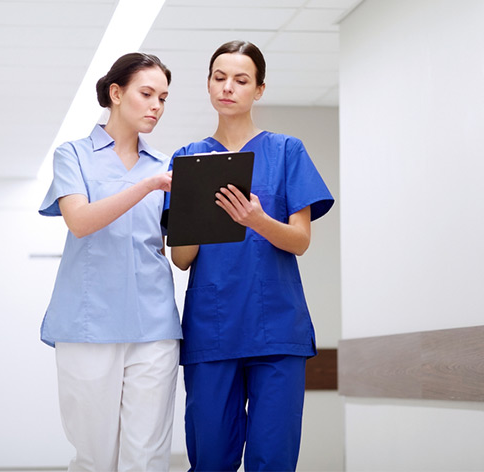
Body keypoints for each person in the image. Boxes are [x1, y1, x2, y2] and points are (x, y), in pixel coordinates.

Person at [167, 41, 335, 471]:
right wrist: (197, 207)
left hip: (276, 328)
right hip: (212, 330)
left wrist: (257, 219)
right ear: (208, 85)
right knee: (210, 459)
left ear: (259, 89)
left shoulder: (286, 151)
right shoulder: (189, 159)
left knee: (273, 459)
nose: (228, 88)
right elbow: (181, 259)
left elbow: (300, 240)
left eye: (241, 80)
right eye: (219, 78)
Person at [39, 52, 182, 471]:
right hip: (89, 324)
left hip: (153, 323)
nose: (156, 105)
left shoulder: (167, 166)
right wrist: (148, 185)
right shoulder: (74, 156)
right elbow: (80, 221)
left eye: (163, 97)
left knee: (148, 456)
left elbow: (179, 243)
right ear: (116, 94)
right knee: (95, 457)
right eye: (147, 93)